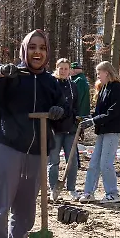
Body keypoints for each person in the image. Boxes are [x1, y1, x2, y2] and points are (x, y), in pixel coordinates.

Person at [0, 29, 67, 238]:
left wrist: (59, 112)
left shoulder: (52, 83)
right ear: (24, 49)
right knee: (0, 203)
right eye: (32, 47)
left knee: (27, 207)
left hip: (37, 152)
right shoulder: (13, 76)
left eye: (42, 47)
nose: (37, 52)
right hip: (7, 147)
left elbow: (66, 118)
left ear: (47, 52)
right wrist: (0, 71)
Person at [79, 61, 120, 204]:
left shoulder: (117, 89)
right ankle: (88, 192)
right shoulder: (104, 88)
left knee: (106, 163)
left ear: (106, 72)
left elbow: (113, 112)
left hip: (113, 130)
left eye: (99, 73)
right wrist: (90, 117)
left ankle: (113, 193)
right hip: (102, 130)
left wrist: (94, 121)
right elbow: (100, 111)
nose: (97, 76)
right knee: (94, 162)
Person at [49, 58, 80, 202]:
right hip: (55, 129)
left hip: (71, 128)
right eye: (60, 68)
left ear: (69, 70)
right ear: (56, 69)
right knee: (54, 161)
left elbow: (76, 106)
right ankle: (53, 189)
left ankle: (71, 189)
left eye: (65, 69)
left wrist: (78, 122)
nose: (63, 71)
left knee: (72, 161)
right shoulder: (51, 84)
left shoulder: (73, 86)